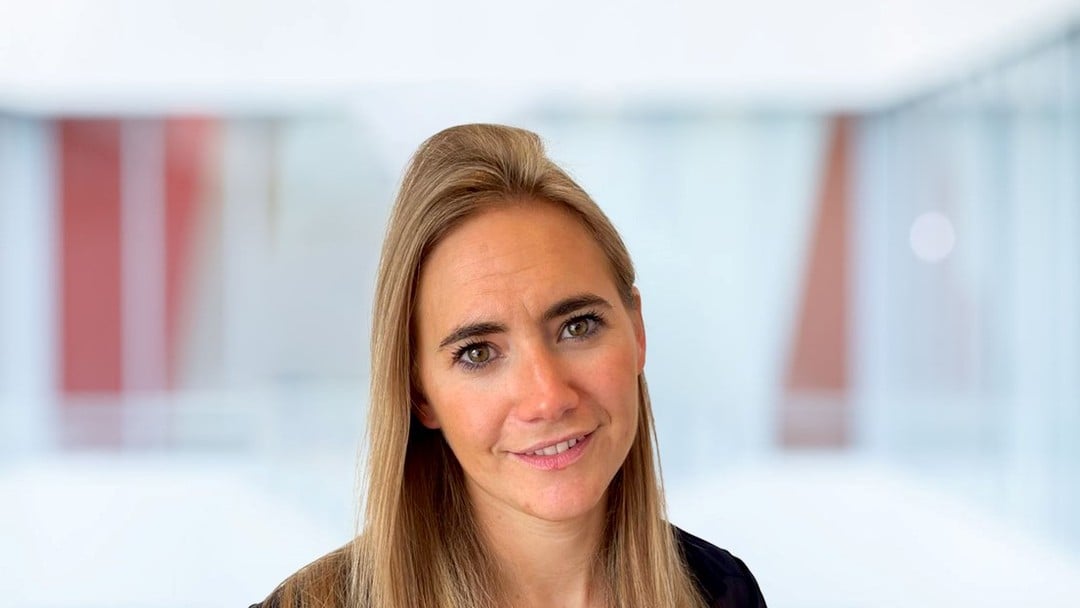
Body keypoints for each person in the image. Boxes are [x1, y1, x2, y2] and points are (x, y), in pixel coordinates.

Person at [251, 124, 766, 608]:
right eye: (478, 353)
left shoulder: (722, 591)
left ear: (637, 330)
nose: (548, 398)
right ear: (419, 393)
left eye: (578, 326)